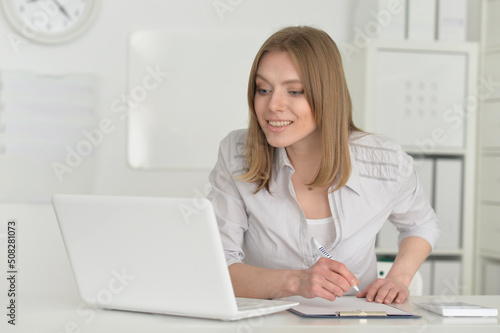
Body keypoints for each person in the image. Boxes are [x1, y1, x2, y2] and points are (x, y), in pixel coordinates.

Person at [207, 26, 440, 305]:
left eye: (294, 91)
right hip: (268, 321)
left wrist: (398, 278)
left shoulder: (384, 161)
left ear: (327, 95)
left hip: (356, 320)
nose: (273, 105)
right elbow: (218, 267)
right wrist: (294, 281)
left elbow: (421, 224)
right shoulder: (237, 154)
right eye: (263, 89)